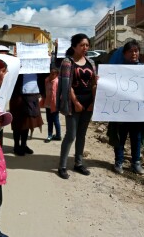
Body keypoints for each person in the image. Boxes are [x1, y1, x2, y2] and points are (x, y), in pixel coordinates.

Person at [56, 33, 97, 179]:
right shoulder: (68, 62)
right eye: (82, 45)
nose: (85, 48)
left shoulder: (91, 62)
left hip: (88, 104)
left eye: (87, 45)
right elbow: (67, 86)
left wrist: (93, 102)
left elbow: (94, 84)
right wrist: (76, 103)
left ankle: (78, 163)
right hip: (73, 104)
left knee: (82, 135)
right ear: (74, 46)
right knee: (71, 135)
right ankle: (62, 166)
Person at [108, 40, 144, 175]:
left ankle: (135, 162)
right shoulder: (116, 70)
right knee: (120, 136)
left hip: (138, 112)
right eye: (130, 51)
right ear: (125, 53)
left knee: (136, 137)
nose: (134, 53)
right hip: (121, 111)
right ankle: (118, 162)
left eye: (136, 51)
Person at [10, 73, 44, 156]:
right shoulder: (18, 63)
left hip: (32, 95)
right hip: (17, 95)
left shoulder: (36, 65)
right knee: (17, 122)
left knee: (27, 122)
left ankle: (23, 145)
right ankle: (16, 146)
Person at [41, 67, 61, 143]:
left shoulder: (57, 82)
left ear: (56, 75)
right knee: (49, 120)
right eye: (50, 74)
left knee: (56, 120)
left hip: (54, 104)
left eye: (53, 74)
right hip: (47, 103)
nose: (51, 75)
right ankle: (50, 135)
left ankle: (58, 135)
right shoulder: (47, 81)